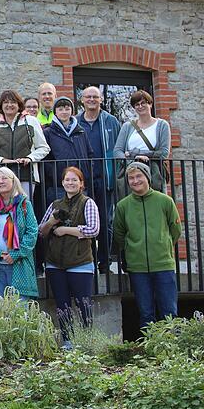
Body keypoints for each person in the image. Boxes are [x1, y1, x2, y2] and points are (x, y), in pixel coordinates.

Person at [113, 162, 181, 328]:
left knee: (169, 312)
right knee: (145, 313)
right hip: (138, 267)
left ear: (147, 177)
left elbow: (175, 229)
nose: (135, 181)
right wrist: (131, 249)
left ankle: (171, 350)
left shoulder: (165, 201)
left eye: (139, 176)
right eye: (131, 178)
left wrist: (163, 245)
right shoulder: (123, 206)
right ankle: (149, 350)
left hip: (163, 265)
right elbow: (119, 233)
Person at [38, 167, 100, 347]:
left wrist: (67, 230)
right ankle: (68, 343)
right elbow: (42, 232)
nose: (70, 183)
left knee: (84, 305)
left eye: (74, 180)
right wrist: (53, 222)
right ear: (62, 182)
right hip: (55, 263)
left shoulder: (88, 203)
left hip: (80, 262)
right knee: (62, 307)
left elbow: (93, 229)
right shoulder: (55, 205)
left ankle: (87, 342)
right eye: (67, 180)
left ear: (81, 184)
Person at [0, 167, 39, 300]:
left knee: (21, 312)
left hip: (19, 265)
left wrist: (15, 254)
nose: (1, 182)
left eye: (4, 178)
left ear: (13, 181)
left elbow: (32, 232)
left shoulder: (24, 204)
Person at [76, 86, 121, 273]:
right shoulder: (75, 122)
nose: (92, 99)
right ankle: (88, 262)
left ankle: (104, 262)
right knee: (83, 220)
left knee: (105, 220)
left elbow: (118, 148)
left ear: (101, 99)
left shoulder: (111, 121)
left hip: (105, 178)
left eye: (95, 96)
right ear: (82, 100)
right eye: (88, 96)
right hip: (82, 181)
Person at [0, 90, 50, 200]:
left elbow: (44, 148)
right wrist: (3, 160)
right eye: (5, 102)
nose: (9, 105)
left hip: (27, 175)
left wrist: (30, 158)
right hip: (2, 177)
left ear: (19, 105)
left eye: (13, 102)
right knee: (4, 211)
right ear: (1, 106)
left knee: (23, 210)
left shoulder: (31, 121)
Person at [113, 90, 171, 195]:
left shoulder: (162, 125)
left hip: (153, 173)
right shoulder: (127, 126)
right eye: (137, 104)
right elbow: (117, 151)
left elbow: (164, 152)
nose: (140, 106)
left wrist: (136, 154)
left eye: (143, 103)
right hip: (130, 172)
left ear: (150, 104)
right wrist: (132, 160)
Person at [42, 97, 94, 206]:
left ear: (72, 111)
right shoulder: (48, 132)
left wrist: (86, 174)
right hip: (58, 185)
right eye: (60, 109)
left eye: (67, 108)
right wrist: (54, 175)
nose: (64, 112)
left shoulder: (81, 132)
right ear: (55, 112)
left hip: (80, 183)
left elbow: (90, 154)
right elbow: (45, 158)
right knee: (58, 217)